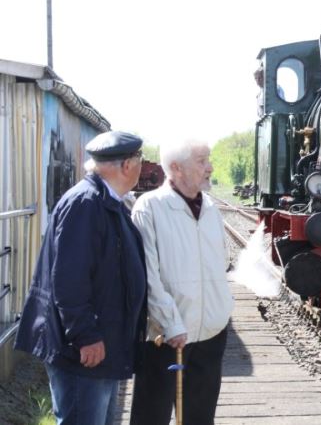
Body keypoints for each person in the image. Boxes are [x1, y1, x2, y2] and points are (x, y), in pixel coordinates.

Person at [14, 131, 148, 425]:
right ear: (127, 165)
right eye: (140, 158)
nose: (143, 164)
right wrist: (85, 335)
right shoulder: (85, 204)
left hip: (104, 345)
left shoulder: (107, 201)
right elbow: (68, 279)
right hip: (84, 351)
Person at [130, 139, 234, 425]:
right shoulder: (150, 207)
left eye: (208, 159)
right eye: (202, 161)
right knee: (151, 417)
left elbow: (220, 263)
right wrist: (170, 323)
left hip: (210, 333)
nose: (210, 167)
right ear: (176, 168)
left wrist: (222, 309)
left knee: (200, 418)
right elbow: (147, 276)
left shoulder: (211, 208)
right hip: (165, 337)